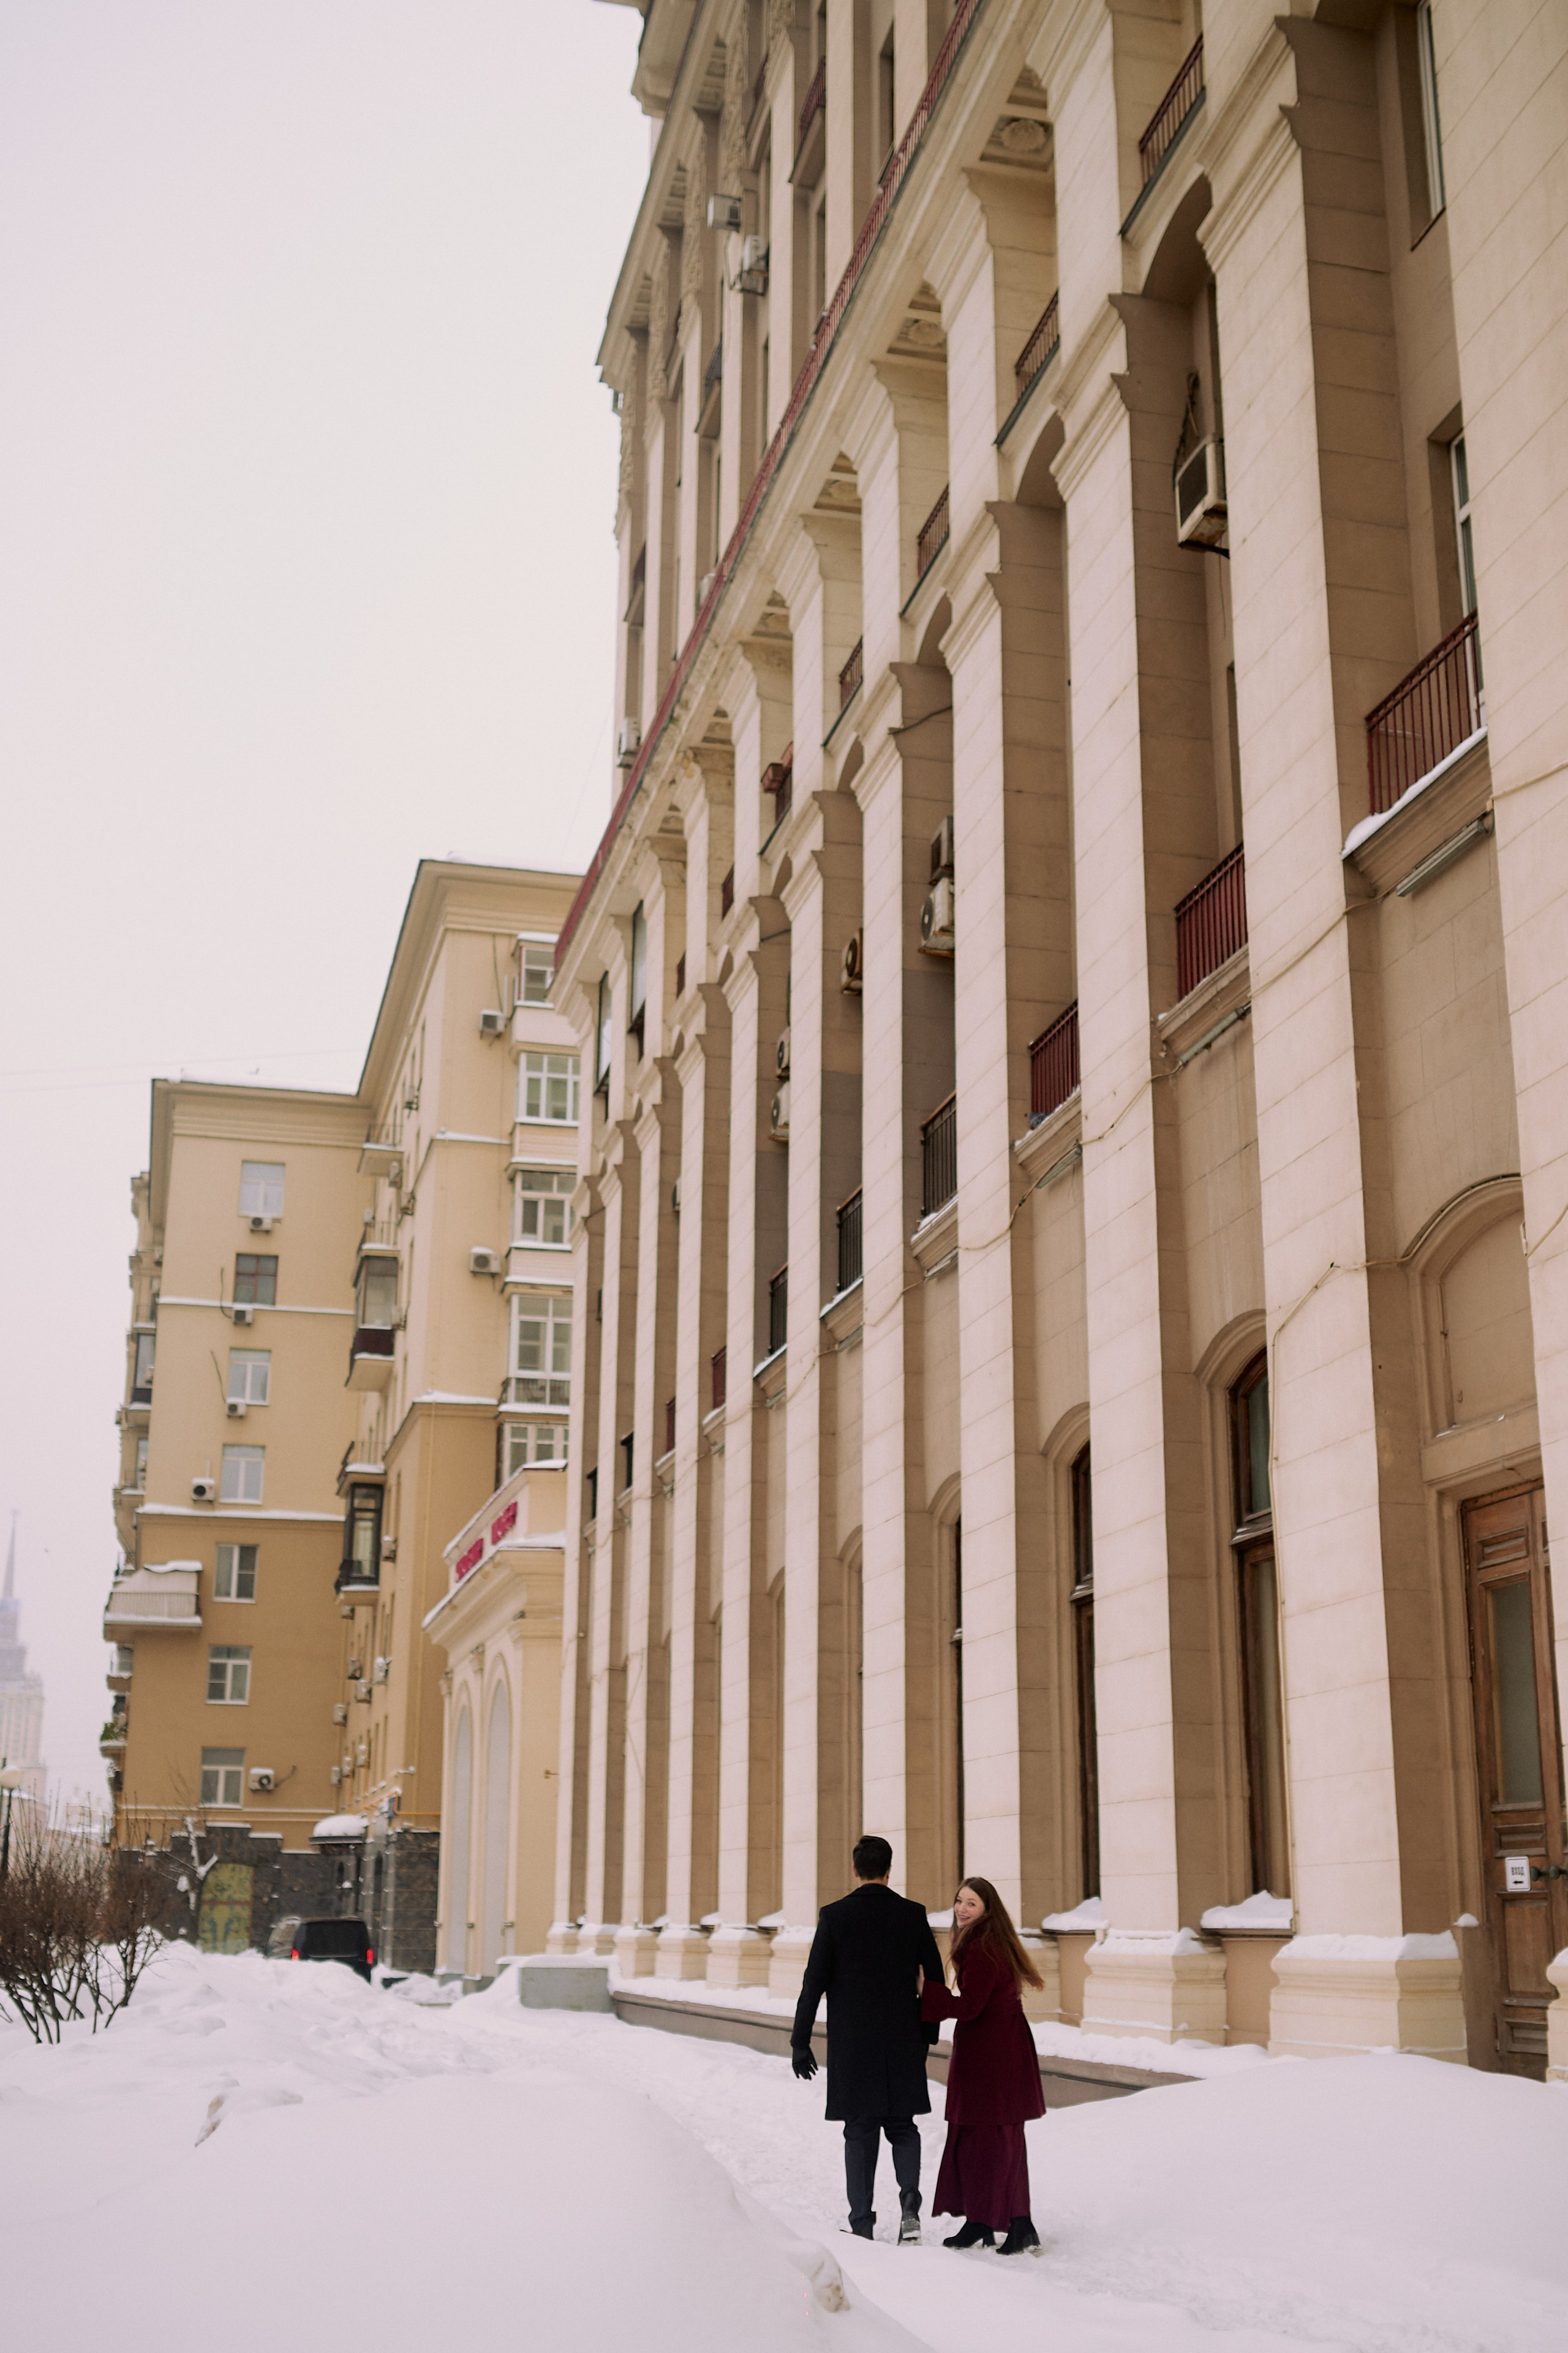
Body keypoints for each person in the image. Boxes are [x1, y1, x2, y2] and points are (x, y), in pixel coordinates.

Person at [791, 1834, 944, 2244]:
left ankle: (862, 2223)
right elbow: (935, 1975)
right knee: (902, 2124)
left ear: (855, 1870)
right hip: (903, 2038)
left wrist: (799, 2041)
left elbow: (814, 1983)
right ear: (889, 1869)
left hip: (854, 2042)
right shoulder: (912, 1914)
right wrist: (928, 2032)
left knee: (859, 2129)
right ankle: (909, 2204)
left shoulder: (835, 1916)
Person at [918, 1876, 1046, 2256]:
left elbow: (970, 2007)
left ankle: (1017, 2224)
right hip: (993, 2047)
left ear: (987, 1910)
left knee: (995, 2137)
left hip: (994, 2052)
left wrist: (929, 1992)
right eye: (959, 1901)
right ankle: (982, 2220)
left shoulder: (984, 1948)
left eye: (971, 1903)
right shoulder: (984, 1942)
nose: (961, 1909)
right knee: (983, 2136)